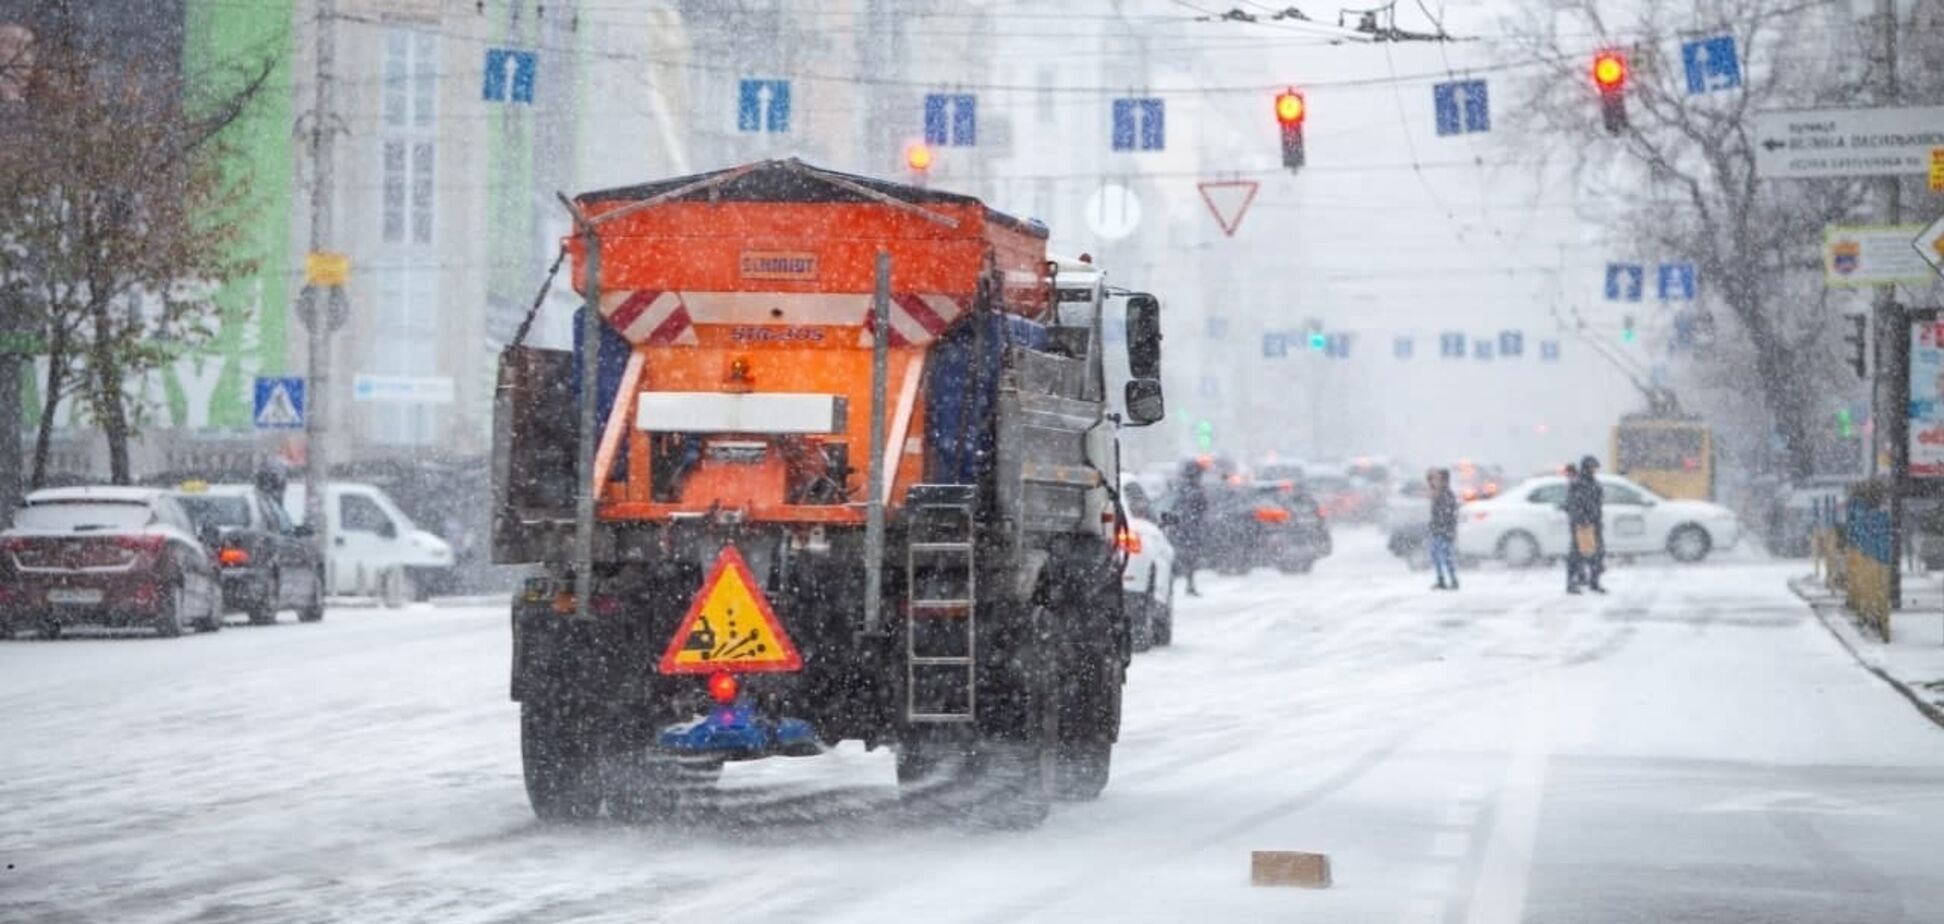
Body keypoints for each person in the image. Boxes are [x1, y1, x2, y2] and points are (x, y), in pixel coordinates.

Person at [1565, 455, 1606, 594]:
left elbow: (1597, 504)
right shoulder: (1579, 484)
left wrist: (1597, 521)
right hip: (1582, 525)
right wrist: (1582, 521)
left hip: (1594, 524)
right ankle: (1572, 583)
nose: (1595, 470)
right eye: (1593, 467)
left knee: (1597, 554)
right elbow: (1573, 505)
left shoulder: (1593, 483)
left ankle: (1594, 582)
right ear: (1587, 468)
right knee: (1577, 555)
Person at [1171, 461, 1210, 597]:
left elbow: (1176, 508)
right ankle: (1189, 583)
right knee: (1189, 558)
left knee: (1185, 557)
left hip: (1183, 530)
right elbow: (1202, 509)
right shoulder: (1195, 491)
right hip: (1190, 530)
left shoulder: (1182, 490)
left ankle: (1187, 583)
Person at [1427, 467, 1459, 590]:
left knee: (1444, 556)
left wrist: (1446, 529)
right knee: (1439, 555)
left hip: (1443, 531)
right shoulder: (1440, 493)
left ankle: (1450, 580)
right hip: (1439, 531)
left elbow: (1447, 515)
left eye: (1438, 479)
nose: (1435, 481)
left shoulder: (1446, 495)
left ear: (1444, 480)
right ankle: (1444, 579)